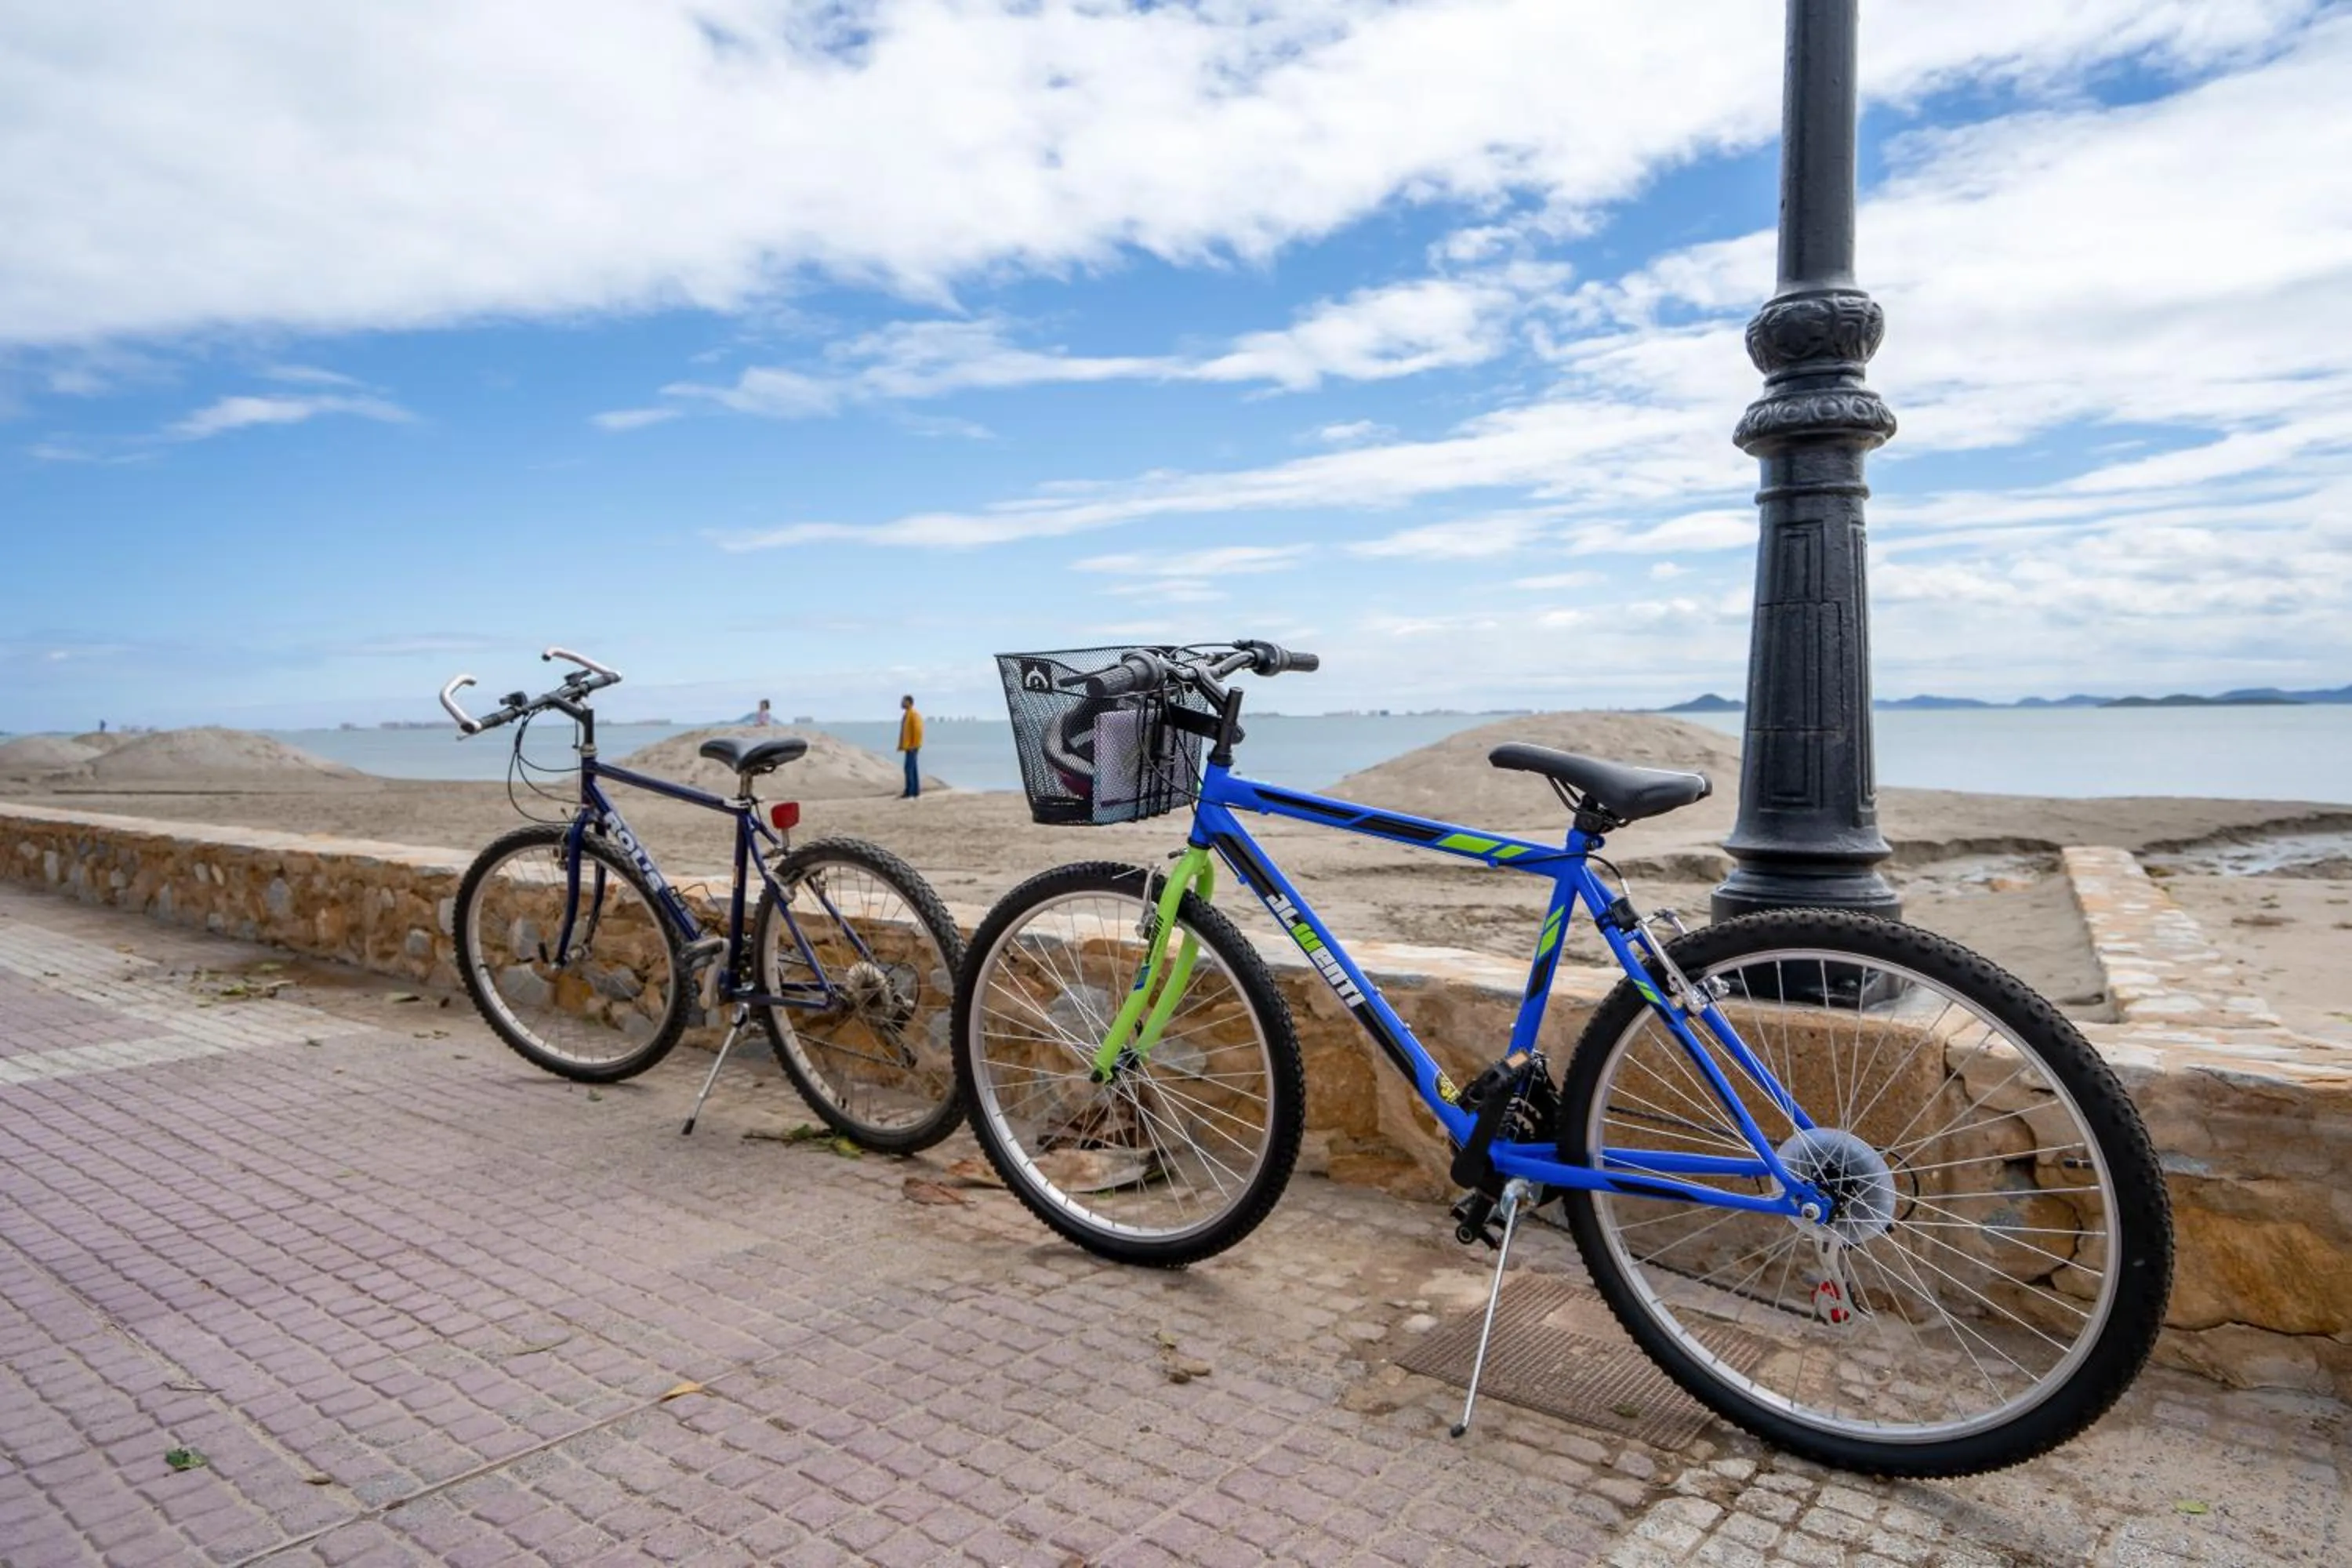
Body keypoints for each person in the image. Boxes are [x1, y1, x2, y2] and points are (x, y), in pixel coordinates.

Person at [896, 694, 923, 799]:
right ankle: (914, 791)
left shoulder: (913, 714)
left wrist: (914, 744)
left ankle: (910, 791)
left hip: (912, 747)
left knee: (909, 768)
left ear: (909, 702)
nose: (902, 703)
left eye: (904, 701)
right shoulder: (907, 714)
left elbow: (918, 730)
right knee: (912, 768)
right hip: (909, 746)